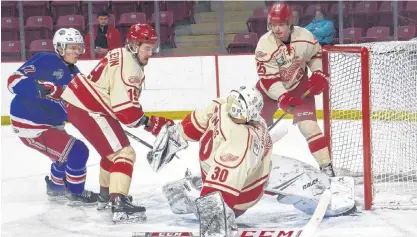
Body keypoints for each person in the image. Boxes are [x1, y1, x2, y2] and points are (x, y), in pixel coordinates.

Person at [61, 23, 174, 222]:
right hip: (89, 108)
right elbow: (127, 114)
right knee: (125, 153)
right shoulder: (129, 66)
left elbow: (115, 100)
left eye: (152, 48)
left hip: (82, 104)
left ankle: (106, 196)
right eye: (146, 48)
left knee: (112, 153)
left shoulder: (119, 53)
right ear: (132, 45)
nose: (150, 53)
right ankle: (119, 203)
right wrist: (152, 124)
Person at [148, 86, 273, 236]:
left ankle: (258, 172)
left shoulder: (239, 140)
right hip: (229, 168)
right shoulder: (220, 107)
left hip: (242, 196)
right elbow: (194, 125)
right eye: (234, 101)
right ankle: (259, 167)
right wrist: (175, 136)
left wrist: (212, 215)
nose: (234, 109)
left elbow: (220, 194)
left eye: (240, 107)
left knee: (218, 193)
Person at [6, 28, 98, 205]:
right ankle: (76, 193)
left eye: (78, 48)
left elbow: (82, 100)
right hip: (31, 125)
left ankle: (56, 188)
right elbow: (13, 81)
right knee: (78, 151)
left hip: (51, 123)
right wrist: (37, 88)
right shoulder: (46, 59)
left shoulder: (75, 73)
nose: (76, 52)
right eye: (71, 47)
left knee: (63, 156)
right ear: (60, 48)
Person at [254, 3, 335, 177]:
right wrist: (283, 97)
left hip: (299, 87)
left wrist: (319, 73)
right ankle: (248, 166)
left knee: (309, 127)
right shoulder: (264, 45)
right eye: (273, 25)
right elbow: (269, 80)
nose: (277, 29)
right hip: (268, 93)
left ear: (289, 23)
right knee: (257, 128)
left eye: (281, 24)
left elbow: (315, 55)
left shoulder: (305, 36)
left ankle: (327, 168)